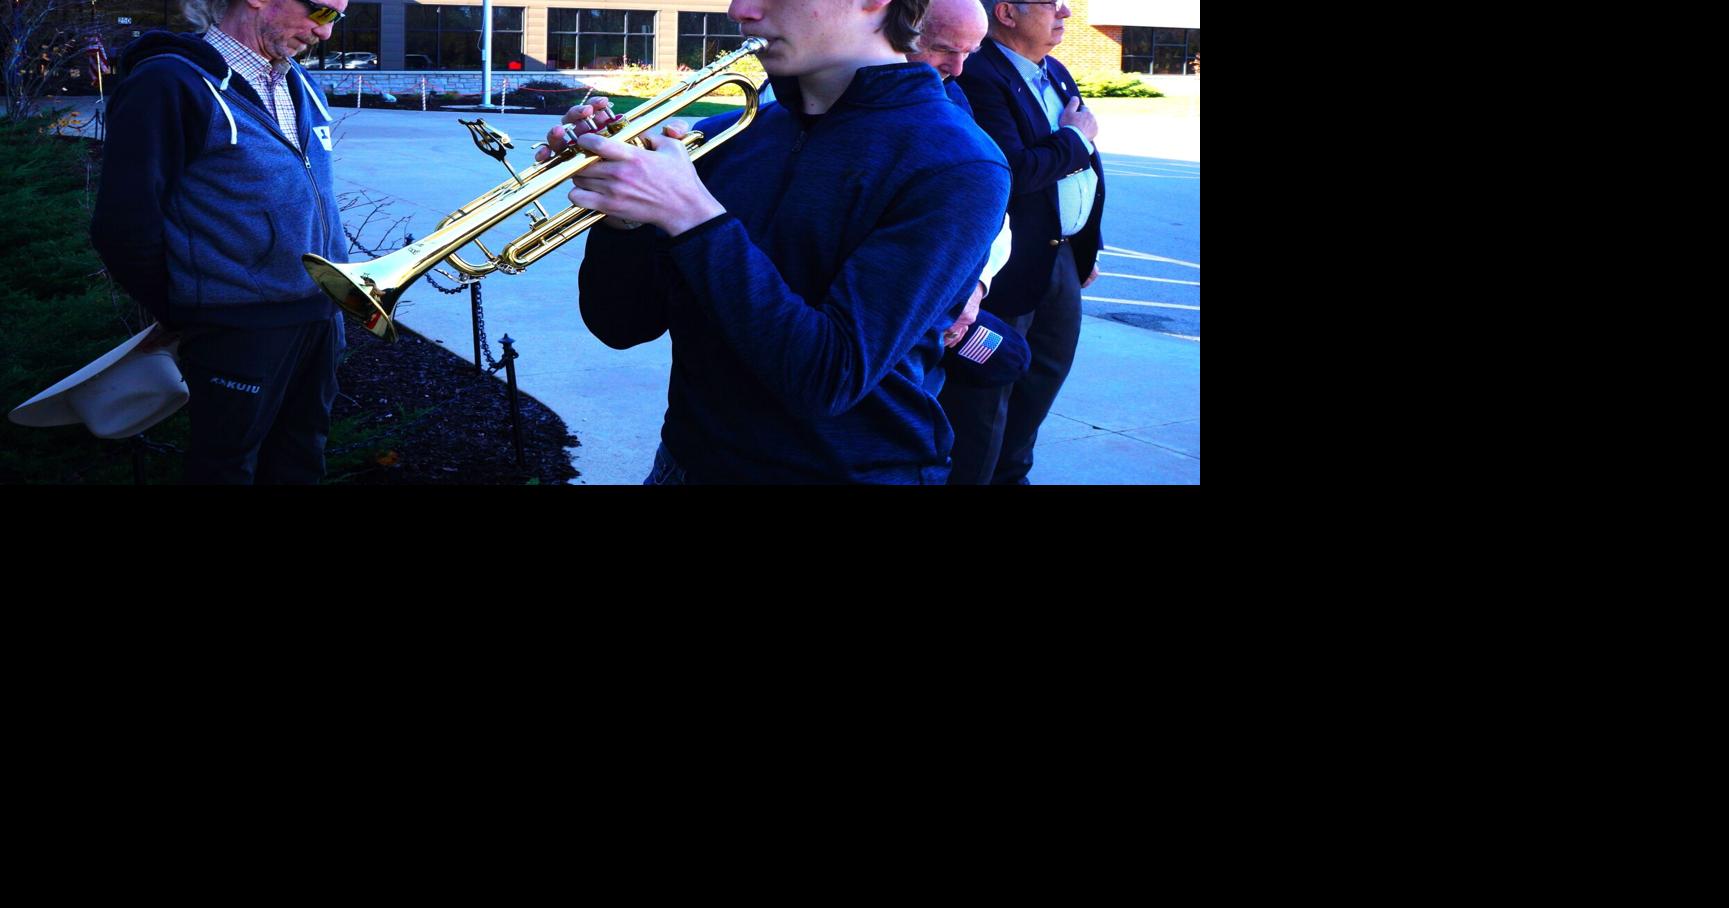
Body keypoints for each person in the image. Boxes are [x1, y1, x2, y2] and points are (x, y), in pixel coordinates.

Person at [541, 0, 1010, 484]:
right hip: (684, 464)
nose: (738, 10)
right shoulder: (725, 136)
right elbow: (621, 326)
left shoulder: (958, 163)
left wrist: (692, 214)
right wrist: (626, 219)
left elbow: (829, 380)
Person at [90, 0, 350, 484]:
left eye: (337, 17)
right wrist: (194, 308)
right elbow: (123, 225)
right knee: (225, 471)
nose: (325, 34)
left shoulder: (301, 83)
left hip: (320, 316)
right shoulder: (169, 82)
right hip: (237, 328)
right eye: (320, 12)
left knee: (301, 460)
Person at [939, 0, 1104, 485]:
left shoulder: (1053, 71)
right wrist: (1075, 141)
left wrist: (1086, 241)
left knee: (1042, 381)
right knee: (984, 400)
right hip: (1004, 267)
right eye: (1052, 4)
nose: (1067, 13)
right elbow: (1007, 173)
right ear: (1008, 13)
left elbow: (1082, 172)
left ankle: (1011, 477)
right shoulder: (976, 74)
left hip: (1061, 256)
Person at [906, 0, 1007, 349]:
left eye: (970, 53)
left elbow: (992, 212)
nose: (958, 67)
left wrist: (977, 285)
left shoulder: (952, 96)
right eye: (943, 49)